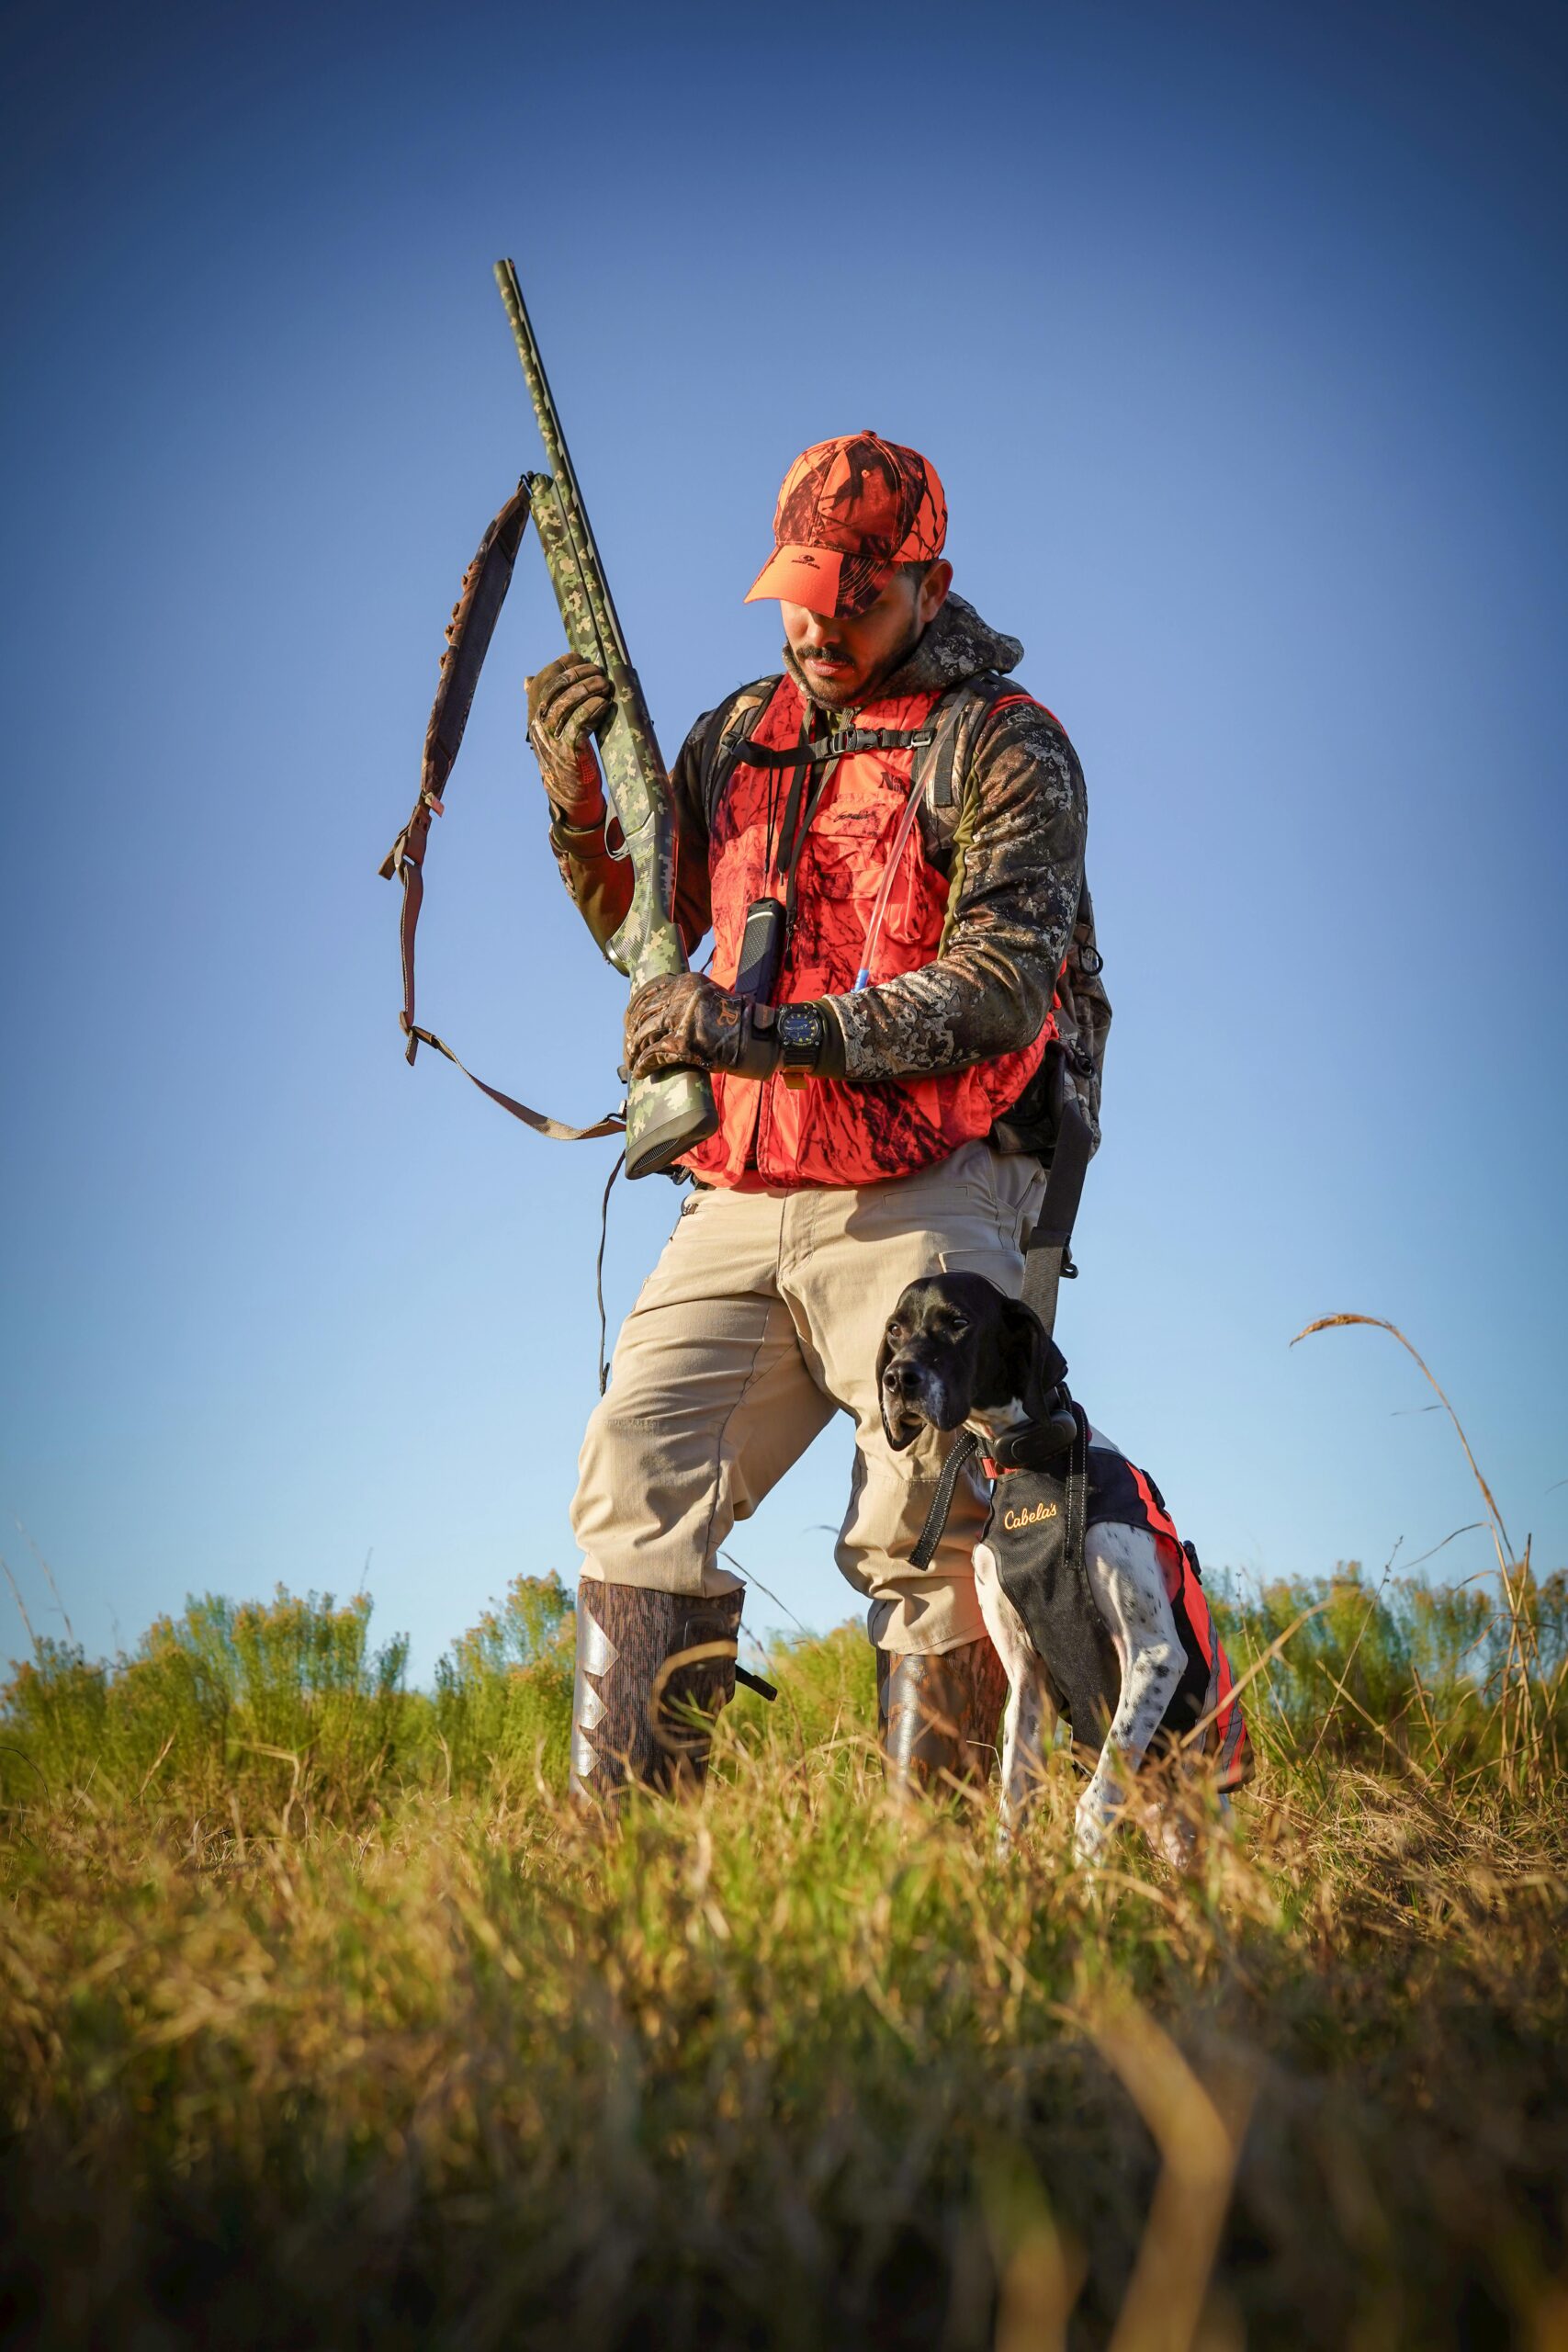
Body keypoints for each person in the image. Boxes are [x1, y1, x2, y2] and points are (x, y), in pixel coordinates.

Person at [525, 432, 1108, 1799]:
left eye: (860, 594)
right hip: (738, 1194)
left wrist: (772, 1030)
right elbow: (648, 936)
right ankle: (632, 1905)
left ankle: (945, 1919)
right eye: (802, 588)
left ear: (929, 582)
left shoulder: (1006, 745)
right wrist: (576, 816)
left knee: (933, 1531)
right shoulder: (733, 736)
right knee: (632, 1476)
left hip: (938, 1182)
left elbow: (1002, 991)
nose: (823, 622)